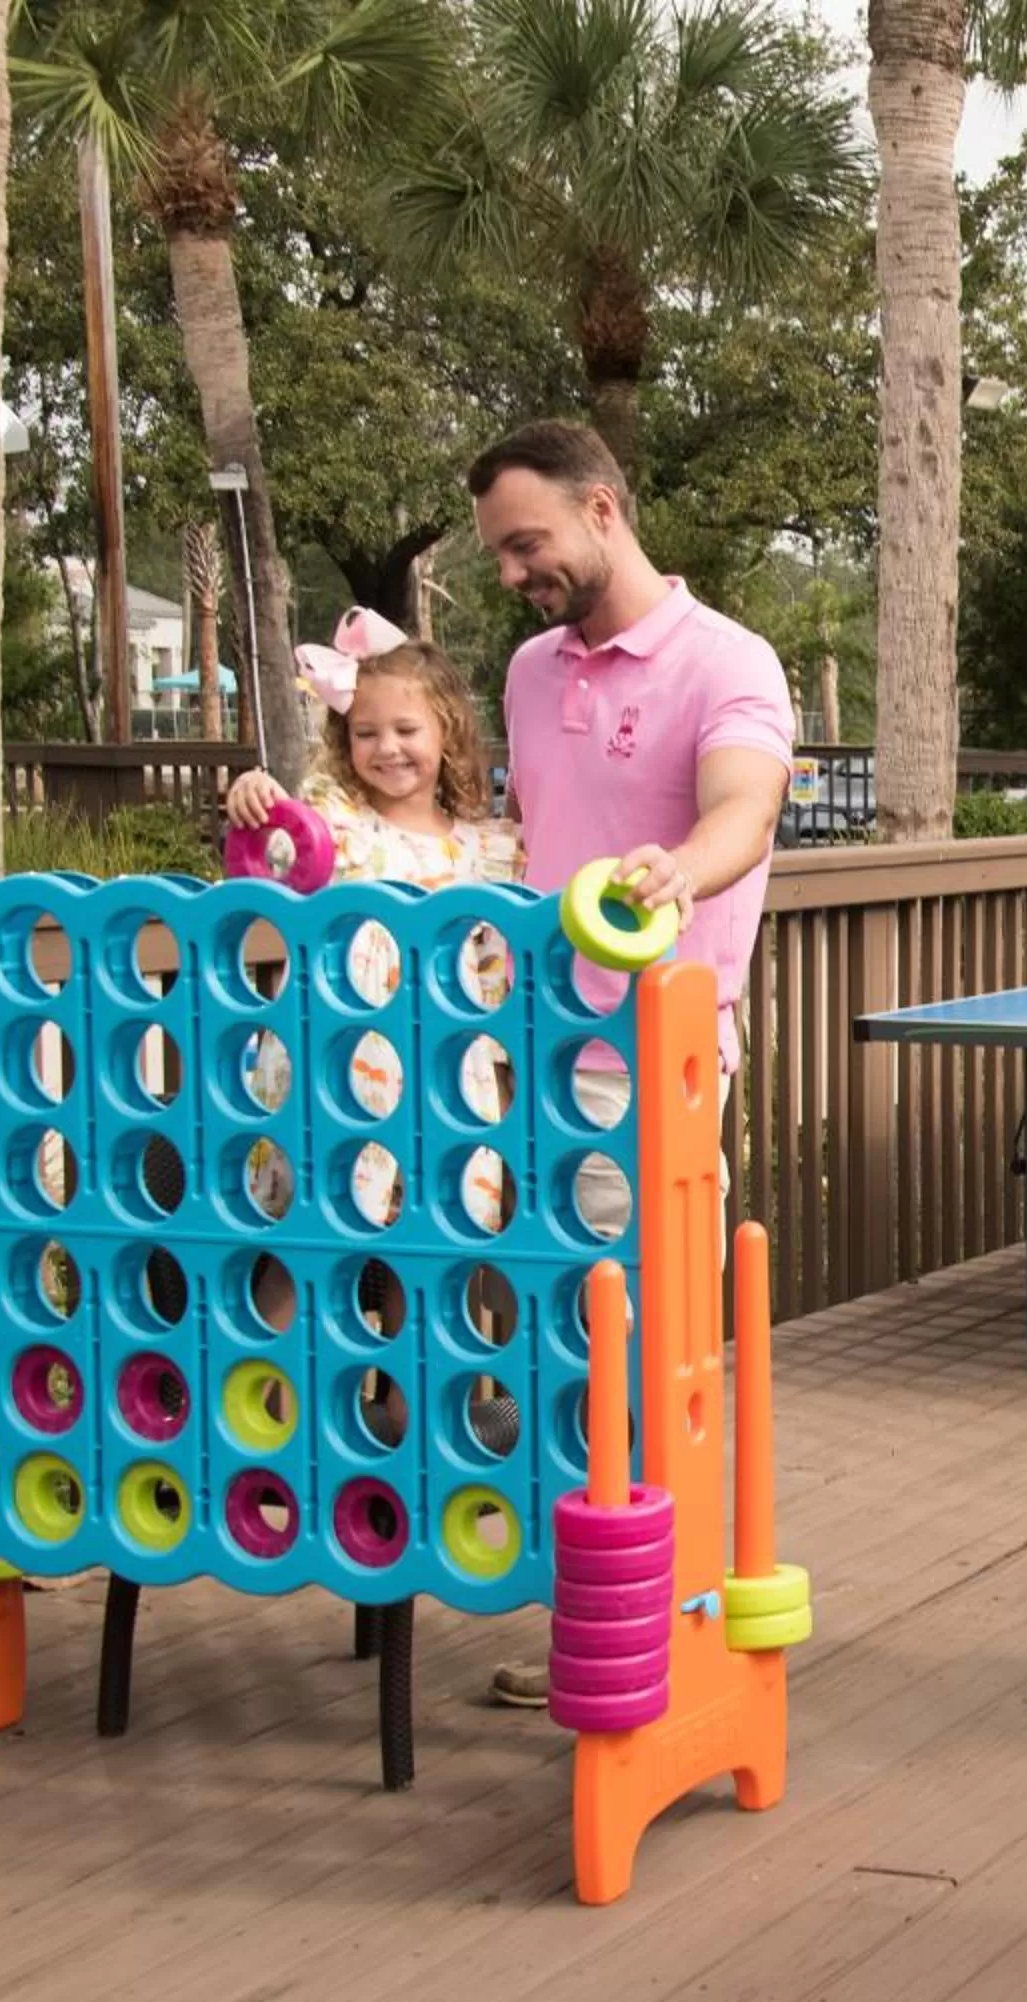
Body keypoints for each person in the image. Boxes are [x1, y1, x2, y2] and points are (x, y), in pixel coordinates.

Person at [468, 418, 795, 1705]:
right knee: (543, 1340)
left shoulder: (731, 661)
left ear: (603, 509)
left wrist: (679, 868)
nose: (513, 573)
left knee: (637, 1345)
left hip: (643, 1067)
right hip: (513, 1059)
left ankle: (648, 1629)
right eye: (501, 553)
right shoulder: (530, 669)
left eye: (528, 544)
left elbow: (744, 807)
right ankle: (588, 1620)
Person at [224, 607, 520, 1289]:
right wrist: (254, 796)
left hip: (443, 1073)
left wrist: (501, 1083)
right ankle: (276, 1388)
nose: (387, 747)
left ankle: (398, 1398)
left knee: (424, 1250)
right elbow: (270, 853)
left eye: (406, 729)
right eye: (366, 733)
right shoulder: (336, 822)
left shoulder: (485, 846)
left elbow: (493, 976)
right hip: (340, 1063)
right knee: (307, 1242)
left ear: (446, 730)